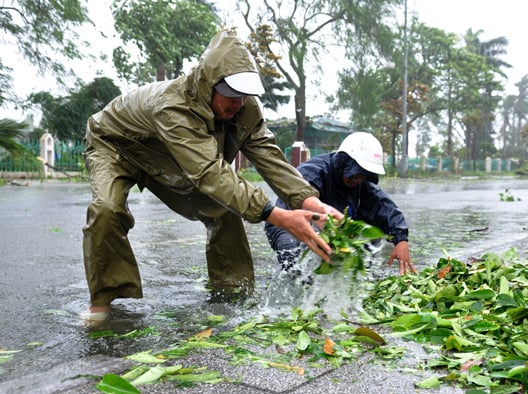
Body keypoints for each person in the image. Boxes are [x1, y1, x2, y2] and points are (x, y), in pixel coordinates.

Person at [82, 29, 343, 318]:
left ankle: (233, 291)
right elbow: (208, 172)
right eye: (231, 94)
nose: (238, 103)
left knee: (224, 206)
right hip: (117, 146)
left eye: (243, 95)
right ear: (209, 84)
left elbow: (267, 153)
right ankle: (107, 304)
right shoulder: (173, 106)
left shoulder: (245, 108)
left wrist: (308, 200)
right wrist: (275, 215)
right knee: (106, 209)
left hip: (170, 154)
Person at [265, 131, 416, 275]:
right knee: (294, 256)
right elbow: (295, 203)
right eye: (356, 174)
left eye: (363, 176)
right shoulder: (313, 172)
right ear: (344, 162)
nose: (358, 180)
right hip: (286, 223)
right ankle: (295, 285)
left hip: (329, 228)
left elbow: (383, 206)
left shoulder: (359, 184)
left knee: (369, 235)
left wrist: (401, 240)